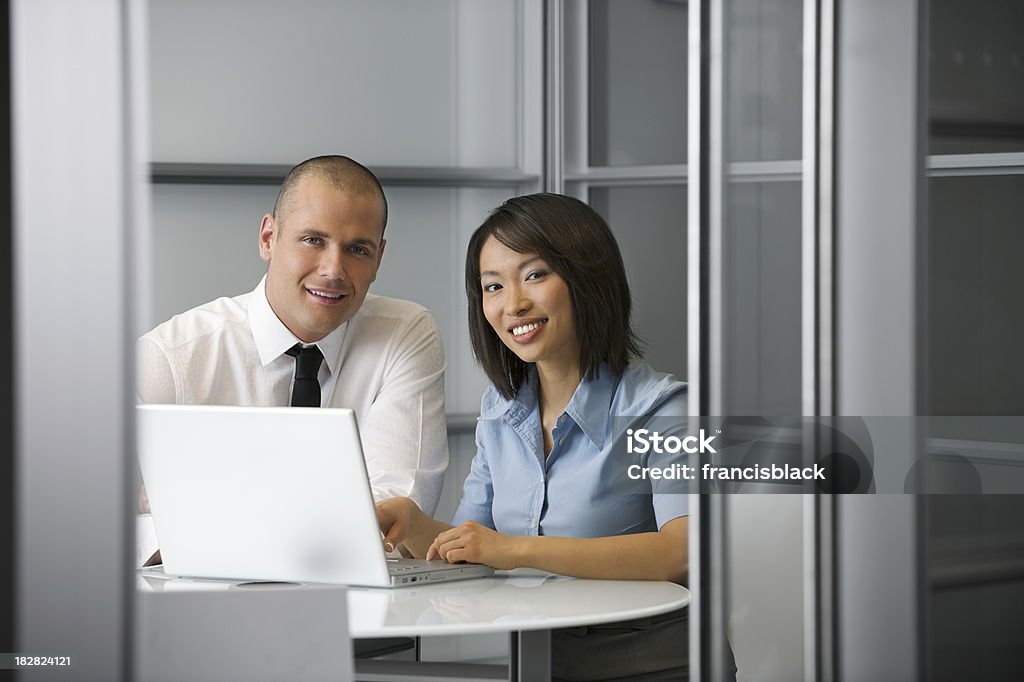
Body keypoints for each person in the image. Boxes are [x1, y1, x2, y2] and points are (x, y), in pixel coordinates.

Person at [377, 193, 702, 681]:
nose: (514, 304)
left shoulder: (665, 408)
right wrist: (411, 520)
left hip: (655, 665)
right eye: (492, 286)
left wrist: (515, 550)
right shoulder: (501, 410)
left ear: (587, 280)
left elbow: (682, 552)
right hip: (538, 663)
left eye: (535, 275)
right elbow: (471, 546)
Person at [138, 155, 448, 516]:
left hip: (350, 572)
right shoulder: (168, 357)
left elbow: (398, 509)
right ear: (269, 238)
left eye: (357, 250)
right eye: (313, 240)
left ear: (378, 259)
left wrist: (209, 519)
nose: (333, 270)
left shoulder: (404, 334)